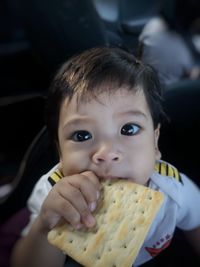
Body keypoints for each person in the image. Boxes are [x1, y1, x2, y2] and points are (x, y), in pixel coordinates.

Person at [10, 47, 200, 267]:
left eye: (129, 129)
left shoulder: (173, 190)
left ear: (155, 142)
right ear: (60, 152)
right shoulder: (54, 194)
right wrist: (44, 227)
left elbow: (196, 220)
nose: (107, 154)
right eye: (82, 135)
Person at [138, 0, 200, 86]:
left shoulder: (151, 26)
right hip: (175, 96)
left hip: (146, 88)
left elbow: (140, 57)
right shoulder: (191, 51)